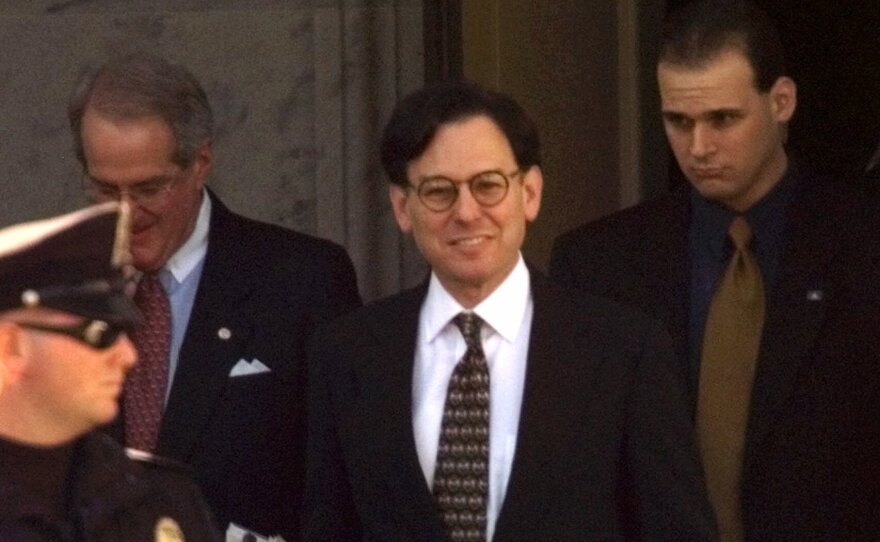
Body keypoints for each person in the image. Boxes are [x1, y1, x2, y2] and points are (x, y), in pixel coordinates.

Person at [303, 80, 715, 541]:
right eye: (439, 191)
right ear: (403, 207)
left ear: (530, 193)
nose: (466, 212)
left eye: (488, 186)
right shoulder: (347, 355)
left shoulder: (624, 351)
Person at [550, 1, 880, 540]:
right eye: (678, 122)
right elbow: (574, 467)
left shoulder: (863, 245)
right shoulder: (597, 265)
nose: (699, 148)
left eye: (723, 119)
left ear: (781, 102)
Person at [67, 52, 362, 541]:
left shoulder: (303, 282)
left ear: (200, 162)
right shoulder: (59, 290)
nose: (125, 213)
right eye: (104, 188)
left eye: (148, 189)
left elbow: (338, 494)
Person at [0, 202, 220, 541]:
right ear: (10, 347)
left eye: (125, 332)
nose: (128, 356)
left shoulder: (160, 500)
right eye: (101, 334)